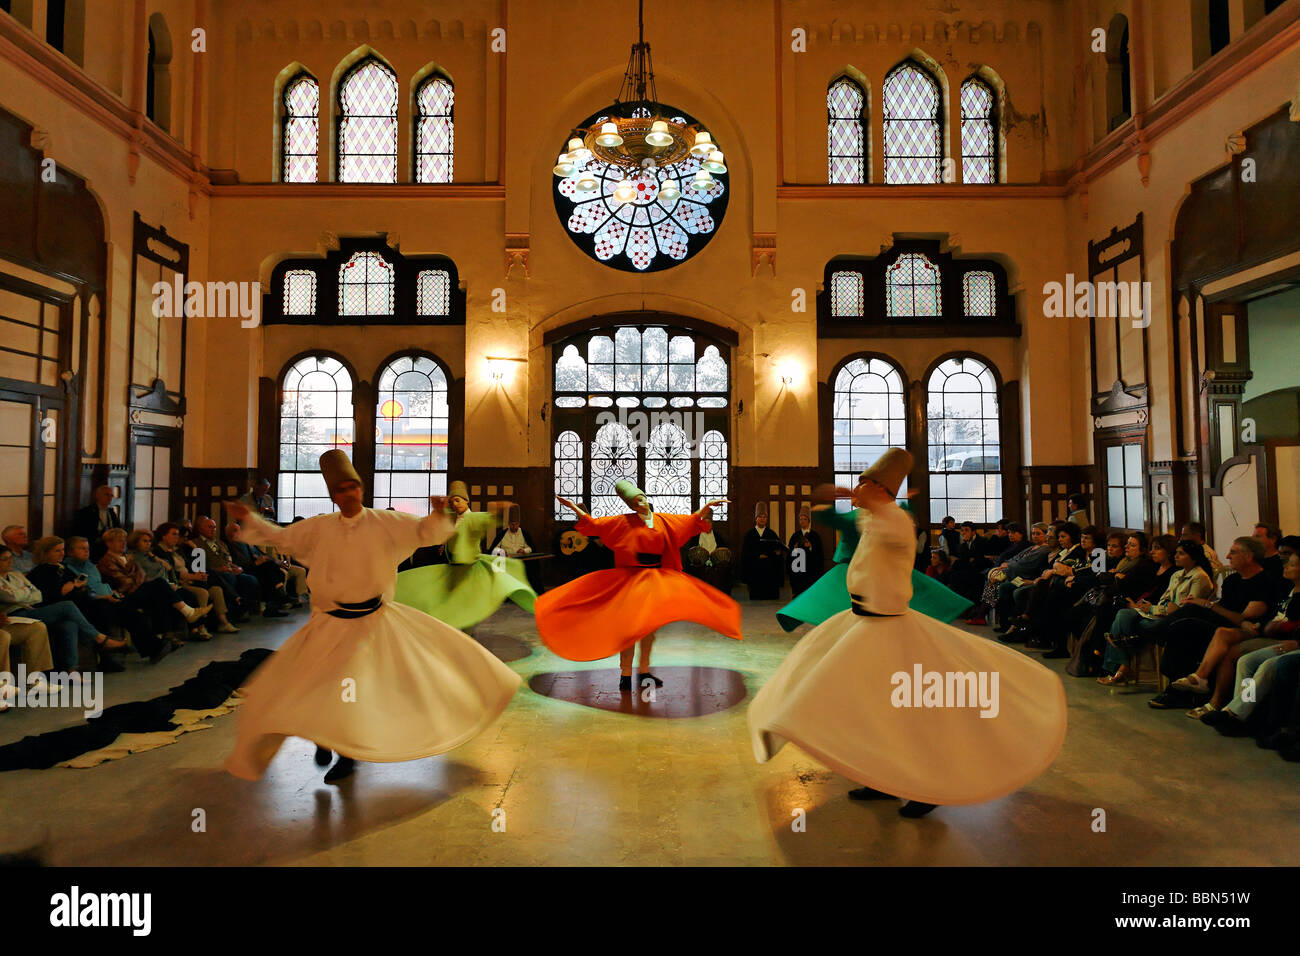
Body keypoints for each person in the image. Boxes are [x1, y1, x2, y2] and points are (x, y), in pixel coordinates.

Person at [749, 449, 1067, 818]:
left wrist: (877, 499)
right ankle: (883, 776)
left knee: (907, 712)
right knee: (869, 707)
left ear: (880, 490)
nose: (857, 488)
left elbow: (887, 522)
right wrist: (841, 500)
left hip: (888, 628)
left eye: (865, 483)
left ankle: (925, 785)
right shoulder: (876, 516)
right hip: (862, 624)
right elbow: (856, 519)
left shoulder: (894, 522)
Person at [224, 451, 521, 784]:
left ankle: (345, 754)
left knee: (351, 689)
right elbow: (280, 537)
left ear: (361, 489)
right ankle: (324, 737)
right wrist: (249, 519)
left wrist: (439, 513)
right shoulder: (319, 527)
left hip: (370, 623)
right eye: (341, 490)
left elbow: (425, 532)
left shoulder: (385, 522)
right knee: (309, 684)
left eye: (353, 487)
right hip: (328, 622)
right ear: (333, 495)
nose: (349, 494)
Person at [538, 480, 739, 690]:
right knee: (629, 630)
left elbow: (690, 520)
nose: (639, 504)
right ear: (631, 506)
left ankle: (644, 671)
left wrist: (708, 506)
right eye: (634, 503)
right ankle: (625, 674)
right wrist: (572, 507)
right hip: (631, 580)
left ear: (645, 497)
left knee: (648, 630)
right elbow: (594, 525)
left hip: (654, 580)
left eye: (641, 498)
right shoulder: (623, 521)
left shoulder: (663, 521)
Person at [775, 493, 971, 633]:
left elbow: (901, 516)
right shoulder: (858, 516)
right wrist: (824, 503)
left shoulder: (879, 516)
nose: (855, 497)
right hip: (854, 566)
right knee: (829, 599)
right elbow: (831, 518)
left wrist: (908, 504)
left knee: (911, 592)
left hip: (876, 567)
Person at [1147, 536, 1273, 709]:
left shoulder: (1264, 581)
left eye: (1233, 552)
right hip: (1226, 625)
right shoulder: (1231, 581)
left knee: (1189, 617)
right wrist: (1206, 606)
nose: (1227, 556)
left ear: (1249, 556)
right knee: (1182, 626)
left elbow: (1243, 619)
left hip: (1243, 630)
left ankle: (1151, 635)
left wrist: (1207, 604)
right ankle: (1176, 691)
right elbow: (1224, 610)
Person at [394, 482, 536, 631]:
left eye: (458, 500)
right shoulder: (453, 519)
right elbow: (439, 528)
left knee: (466, 605)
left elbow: (488, 519)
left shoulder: (472, 518)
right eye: (452, 501)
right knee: (446, 599)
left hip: (469, 569)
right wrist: (438, 513)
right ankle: (458, 631)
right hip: (453, 568)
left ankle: (465, 633)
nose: (455, 504)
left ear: (466, 500)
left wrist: (498, 512)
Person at [1098, 539, 1215, 685]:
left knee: (1141, 626)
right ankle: (1123, 659)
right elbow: (1165, 598)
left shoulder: (1200, 577)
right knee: (1123, 613)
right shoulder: (1177, 575)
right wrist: (1151, 607)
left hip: (1176, 617)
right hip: (1160, 611)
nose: (1176, 556)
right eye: (1176, 553)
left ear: (1193, 557)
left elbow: (1185, 607)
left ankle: (1124, 658)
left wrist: (1154, 609)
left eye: (1181, 554)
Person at [0, 544, 126, 671]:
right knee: (69, 606)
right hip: (15, 614)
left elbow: (37, 595)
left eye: (11, 558)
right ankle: (99, 638)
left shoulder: (16, 575)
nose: (10, 561)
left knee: (69, 624)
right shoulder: (41, 571)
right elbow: (12, 597)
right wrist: (26, 591)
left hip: (31, 610)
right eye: (5, 559)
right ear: (46, 553)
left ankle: (71, 670)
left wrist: (21, 592)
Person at [152, 524, 238, 634]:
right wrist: (192, 576)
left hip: (189, 578)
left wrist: (195, 552)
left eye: (178, 535)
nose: (177, 537)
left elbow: (190, 565)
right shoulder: (159, 552)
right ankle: (199, 627)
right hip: (179, 582)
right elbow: (171, 573)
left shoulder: (177, 550)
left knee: (216, 589)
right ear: (164, 536)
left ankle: (223, 622)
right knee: (203, 591)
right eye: (174, 534)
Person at [193, 516, 269, 619]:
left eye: (214, 527)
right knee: (230, 578)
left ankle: (243, 610)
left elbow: (229, 560)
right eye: (209, 527)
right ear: (201, 529)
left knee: (249, 579)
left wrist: (238, 568)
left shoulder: (220, 543)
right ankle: (232, 612)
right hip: (216, 573)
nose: (213, 530)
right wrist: (219, 569)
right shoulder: (196, 544)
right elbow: (200, 566)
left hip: (229, 570)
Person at [741, 503, 785, 600]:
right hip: (755, 571)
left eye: (764, 517)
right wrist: (757, 556)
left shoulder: (772, 534)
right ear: (756, 518)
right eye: (760, 516)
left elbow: (778, 553)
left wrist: (774, 554)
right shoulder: (749, 535)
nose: (762, 519)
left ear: (767, 519)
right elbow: (745, 554)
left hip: (769, 571)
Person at [71, 485, 123, 561]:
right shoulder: (86, 512)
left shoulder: (111, 512)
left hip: (111, 546)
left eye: (111, 495)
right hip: (94, 546)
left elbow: (118, 529)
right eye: (107, 495)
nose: (109, 498)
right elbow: (81, 532)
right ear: (97, 496)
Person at [785, 506, 824, 597]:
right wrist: (794, 549)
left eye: (805, 519)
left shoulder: (815, 535)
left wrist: (810, 547)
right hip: (798, 568)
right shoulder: (795, 535)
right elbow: (790, 551)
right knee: (798, 591)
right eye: (800, 519)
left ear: (809, 521)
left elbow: (819, 552)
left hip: (811, 568)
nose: (802, 521)